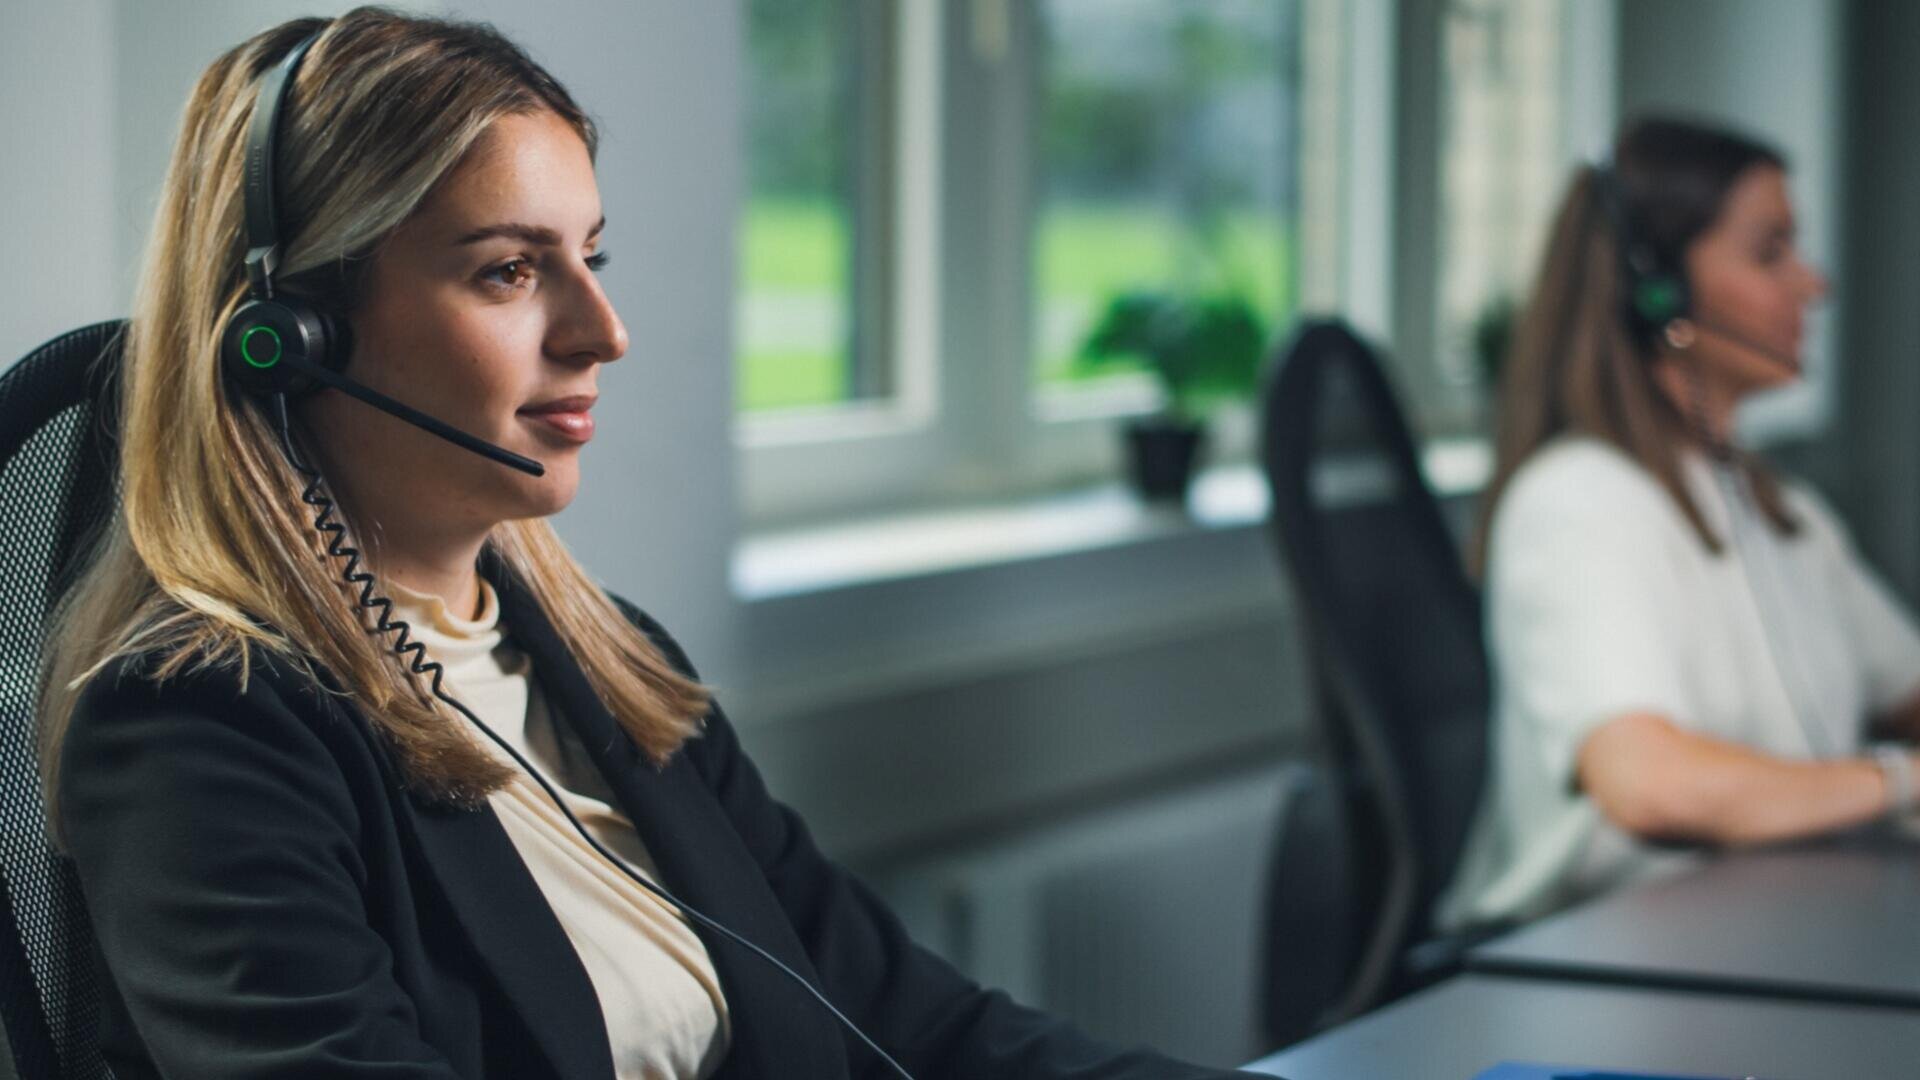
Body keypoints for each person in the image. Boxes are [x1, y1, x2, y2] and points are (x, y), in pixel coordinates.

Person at [39, 10, 1271, 1078]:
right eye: (510, 271)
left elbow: (911, 1023)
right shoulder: (200, 726)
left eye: (592, 256)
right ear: (289, 334)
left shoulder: (611, 662)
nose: (603, 330)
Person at [1438, 116, 1920, 931]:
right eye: (1770, 252)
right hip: (1600, 957)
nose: (1813, 285)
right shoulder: (1579, 500)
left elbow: (1907, 687)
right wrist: (1903, 782)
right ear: (1656, 290)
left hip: (1765, 927)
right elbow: (1648, 784)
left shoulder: (1781, 512)